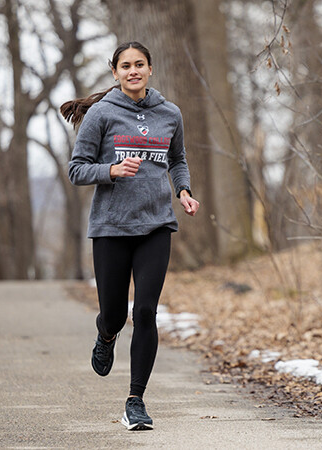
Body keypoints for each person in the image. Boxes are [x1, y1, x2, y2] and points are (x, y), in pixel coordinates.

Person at [61, 41, 199, 431]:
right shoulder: (102, 115)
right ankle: (105, 335)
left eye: (140, 64)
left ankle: (135, 400)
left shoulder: (169, 113)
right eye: (126, 65)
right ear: (115, 72)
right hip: (111, 228)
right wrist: (111, 171)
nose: (133, 70)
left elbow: (178, 159)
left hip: (156, 226)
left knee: (146, 312)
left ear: (150, 69)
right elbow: (77, 169)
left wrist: (183, 192)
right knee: (116, 315)